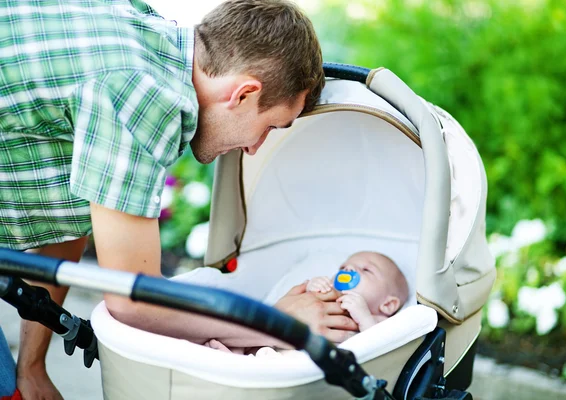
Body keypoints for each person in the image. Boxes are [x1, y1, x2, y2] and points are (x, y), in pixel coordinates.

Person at [0, 1, 359, 398]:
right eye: (269, 126)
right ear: (243, 94)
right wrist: (279, 323)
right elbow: (133, 300)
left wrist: (31, 366)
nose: (255, 148)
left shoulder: (141, 29)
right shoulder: (143, 97)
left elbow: (69, 219)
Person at [205, 251, 409, 355]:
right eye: (344, 267)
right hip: (279, 346)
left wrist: (364, 317)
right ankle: (234, 357)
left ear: (388, 305)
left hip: (310, 365)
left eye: (366, 270)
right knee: (257, 347)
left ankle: (240, 363)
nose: (348, 271)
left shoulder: (379, 319)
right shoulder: (330, 295)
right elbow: (299, 306)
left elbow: (380, 346)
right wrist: (314, 286)